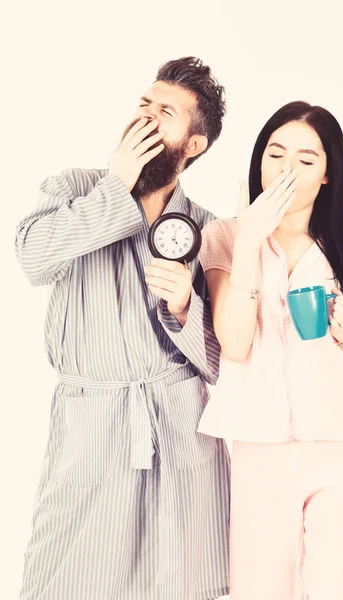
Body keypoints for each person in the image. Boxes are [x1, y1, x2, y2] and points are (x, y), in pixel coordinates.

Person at [15, 56, 230, 600]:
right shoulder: (75, 187)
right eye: (143, 104)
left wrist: (184, 308)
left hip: (181, 428)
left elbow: (224, 360)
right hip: (94, 424)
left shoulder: (207, 230)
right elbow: (34, 259)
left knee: (182, 578)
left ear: (194, 144)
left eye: (166, 112)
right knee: (66, 577)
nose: (146, 118)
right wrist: (114, 188)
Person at [197, 101, 343, 600]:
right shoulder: (225, 236)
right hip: (262, 451)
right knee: (260, 591)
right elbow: (234, 344)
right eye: (275, 154)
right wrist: (250, 242)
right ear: (259, 162)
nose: (286, 170)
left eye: (306, 160)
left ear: (327, 174)